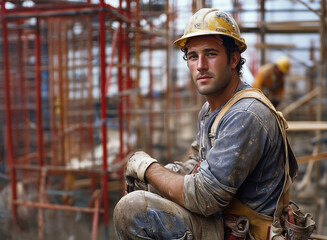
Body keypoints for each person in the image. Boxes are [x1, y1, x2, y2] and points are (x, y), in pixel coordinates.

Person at [113, 8, 297, 240]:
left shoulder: (246, 115)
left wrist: (148, 169)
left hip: (245, 231)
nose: (200, 65)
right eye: (192, 56)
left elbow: (205, 197)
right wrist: (159, 177)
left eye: (210, 54)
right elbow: (198, 163)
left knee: (133, 210)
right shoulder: (212, 109)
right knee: (146, 189)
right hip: (224, 219)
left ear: (233, 58)